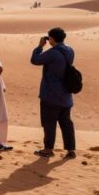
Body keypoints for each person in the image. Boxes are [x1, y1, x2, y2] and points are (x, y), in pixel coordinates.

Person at [31, 27, 76, 158]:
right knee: (66, 122)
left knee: (49, 123)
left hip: (51, 95)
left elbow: (35, 60)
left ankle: (48, 149)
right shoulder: (70, 50)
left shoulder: (53, 53)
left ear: (51, 39)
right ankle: (71, 150)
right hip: (65, 95)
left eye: (49, 37)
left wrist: (39, 47)